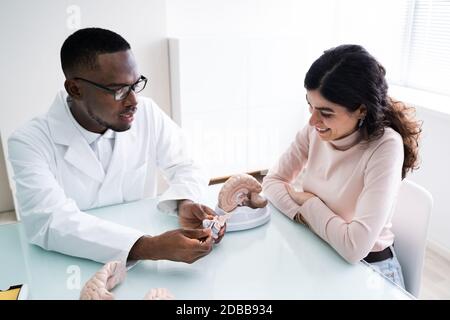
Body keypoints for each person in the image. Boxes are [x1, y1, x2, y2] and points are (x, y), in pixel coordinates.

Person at [7, 27, 225, 266]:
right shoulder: (29, 142)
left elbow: (187, 164)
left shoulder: (147, 113)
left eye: (135, 84)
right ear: (75, 89)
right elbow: (49, 221)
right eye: (118, 90)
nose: (133, 101)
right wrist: (147, 247)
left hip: (146, 260)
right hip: (68, 263)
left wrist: (184, 202)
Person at [262, 44, 422, 288]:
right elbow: (272, 183)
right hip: (324, 249)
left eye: (326, 112)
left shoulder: (385, 146)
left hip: (372, 270)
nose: (313, 120)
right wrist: (303, 214)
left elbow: (354, 247)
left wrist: (309, 202)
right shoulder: (315, 130)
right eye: (310, 105)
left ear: (361, 110)